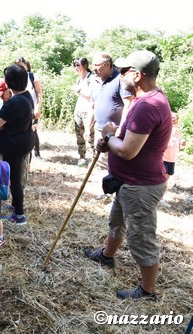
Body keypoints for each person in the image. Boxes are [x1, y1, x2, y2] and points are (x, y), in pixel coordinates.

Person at [84, 50, 173, 300]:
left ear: (136, 74)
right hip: (129, 182)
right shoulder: (144, 99)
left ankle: (147, 291)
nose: (119, 75)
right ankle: (106, 256)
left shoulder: (148, 104)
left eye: (123, 71)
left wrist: (111, 136)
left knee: (141, 237)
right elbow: (125, 139)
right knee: (117, 222)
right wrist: (110, 139)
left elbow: (128, 150)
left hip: (141, 185)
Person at [0, 65, 35, 225]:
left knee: (14, 179)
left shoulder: (14, 102)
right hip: (25, 141)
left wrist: (2, 124)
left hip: (14, 145)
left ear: (8, 83)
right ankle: (16, 204)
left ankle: (19, 214)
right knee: (17, 176)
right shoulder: (27, 95)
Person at [86, 52, 133, 170]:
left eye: (97, 65)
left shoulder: (120, 80)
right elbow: (93, 106)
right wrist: (88, 128)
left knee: (112, 165)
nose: (94, 68)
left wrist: (120, 130)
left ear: (107, 65)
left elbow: (129, 104)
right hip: (99, 129)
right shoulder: (95, 81)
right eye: (93, 65)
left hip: (115, 132)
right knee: (100, 163)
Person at [15, 57, 43, 160]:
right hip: (19, 109)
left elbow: (39, 92)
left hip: (32, 108)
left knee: (33, 131)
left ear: (27, 66)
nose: (20, 68)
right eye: (18, 66)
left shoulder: (32, 76)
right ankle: (26, 155)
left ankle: (37, 153)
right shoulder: (15, 78)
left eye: (22, 66)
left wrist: (38, 108)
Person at [71, 57, 94, 167]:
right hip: (79, 110)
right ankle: (82, 157)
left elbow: (91, 96)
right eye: (75, 65)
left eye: (78, 65)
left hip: (88, 111)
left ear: (85, 65)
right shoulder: (79, 79)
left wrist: (78, 90)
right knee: (79, 136)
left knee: (90, 136)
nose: (76, 68)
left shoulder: (92, 79)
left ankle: (94, 160)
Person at [161, 112, 187, 206]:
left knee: (166, 180)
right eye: (171, 117)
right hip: (163, 158)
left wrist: (182, 143)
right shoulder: (165, 129)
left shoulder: (178, 133)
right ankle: (157, 197)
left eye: (175, 118)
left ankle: (162, 197)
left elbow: (178, 147)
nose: (173, 119)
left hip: (172, 159)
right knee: (160, 178)